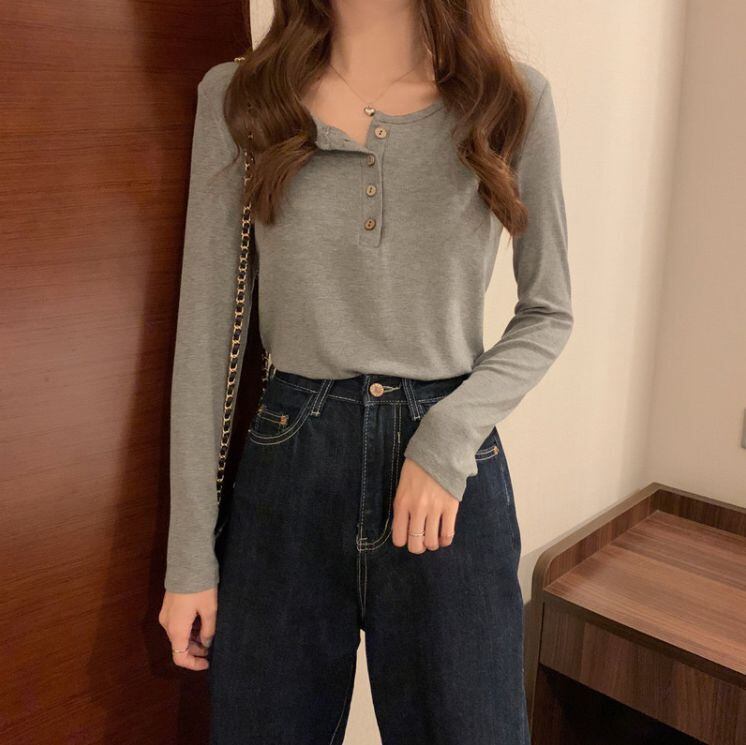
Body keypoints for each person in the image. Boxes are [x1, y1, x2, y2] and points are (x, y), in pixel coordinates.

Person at [158, 0, 573, 742]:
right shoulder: (240, 97)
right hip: (289, 470)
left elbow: (548, 312)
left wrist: (446, 438)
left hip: (446, 485)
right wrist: (189, 557)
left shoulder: (511, 99)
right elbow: (207, 333)